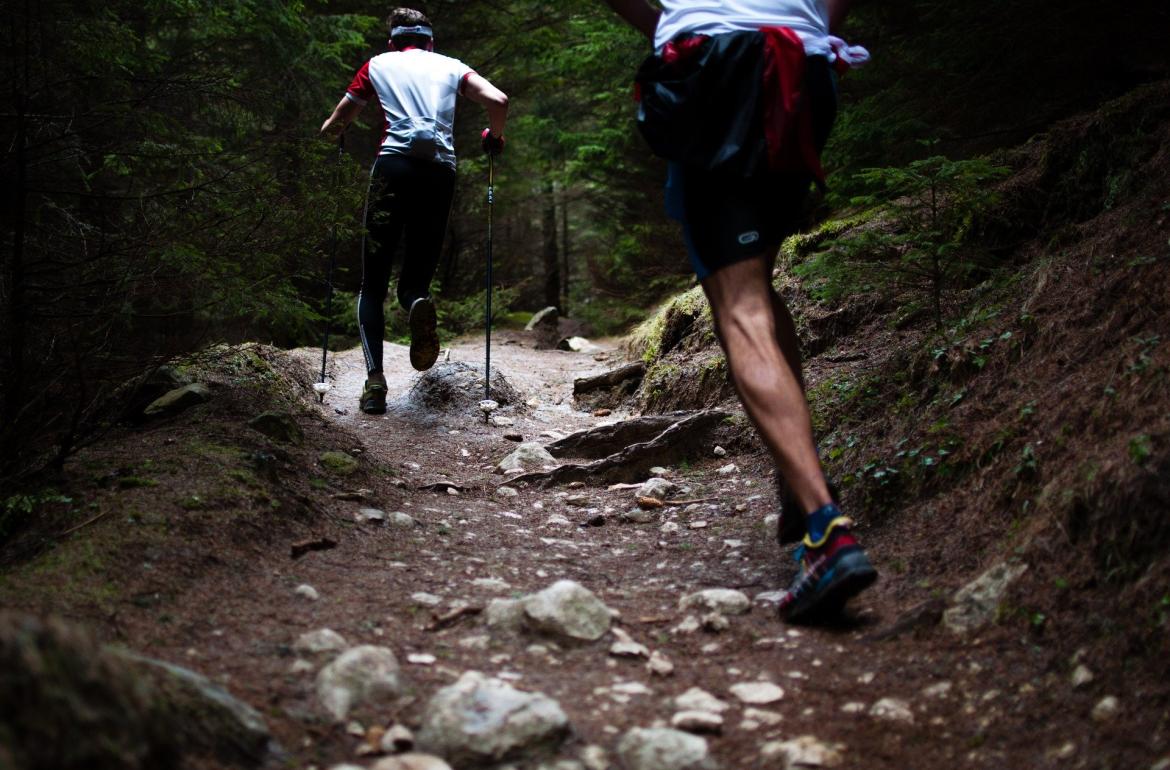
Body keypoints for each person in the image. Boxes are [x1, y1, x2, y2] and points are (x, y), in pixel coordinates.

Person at [602, 0, 876, 622]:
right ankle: (798, 482)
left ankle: (824, 530)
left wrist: (669, 24)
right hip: (803, 68)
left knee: (740, 304)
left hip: (711, 68)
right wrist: (820, 34)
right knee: (758, 281)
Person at [321, 7, 508, 415]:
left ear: (393, 42)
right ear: (431, 42)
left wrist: (332, 131)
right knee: (415, 281)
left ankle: (374, 384)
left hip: (393, 168)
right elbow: (498, 99)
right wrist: (494, 136)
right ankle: (415, 303)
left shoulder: (377, 64)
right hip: (439, 173)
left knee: (372, 283)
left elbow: (340, 118)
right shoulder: (451, 66)